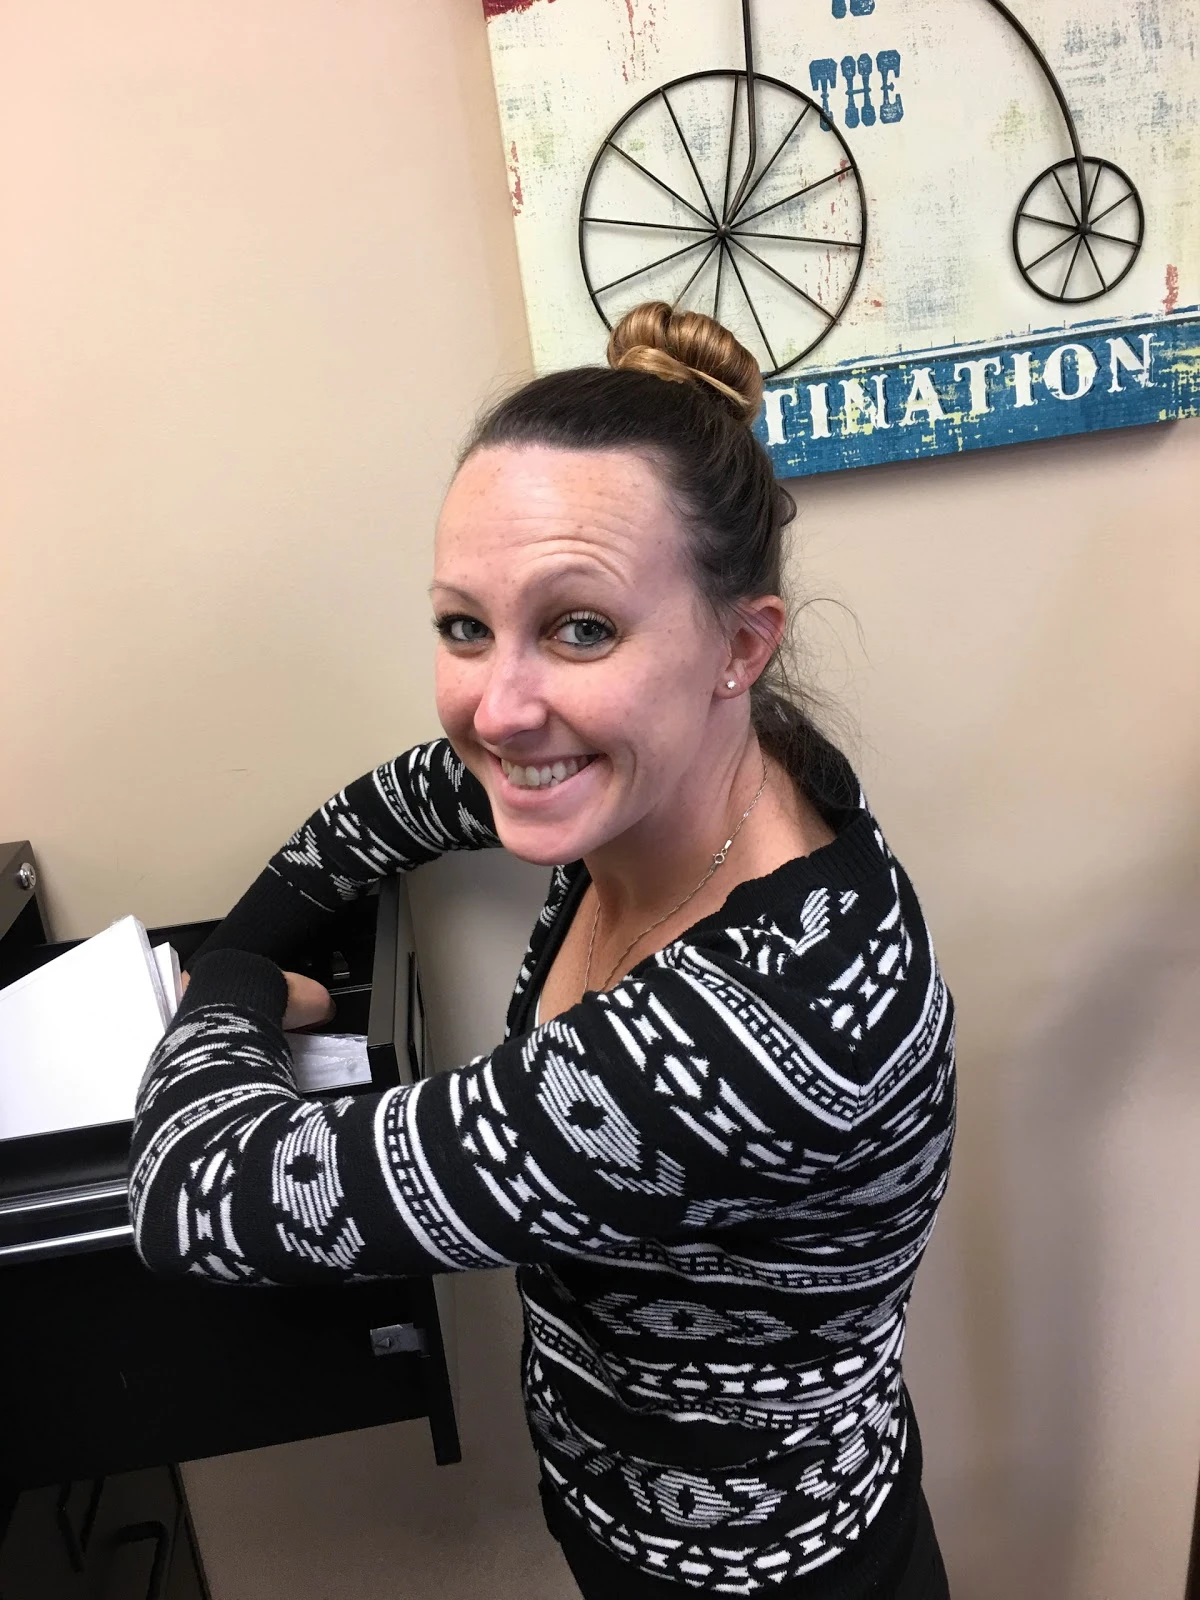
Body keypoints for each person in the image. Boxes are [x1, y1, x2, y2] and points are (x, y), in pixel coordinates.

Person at [129, 302, 955, 1598]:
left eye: (582, 628)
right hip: (609, 1505)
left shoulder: (760, 1033)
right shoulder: (681, 774)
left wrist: (230, 988)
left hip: (757, 1573)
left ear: (740, 647)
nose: (498, 709)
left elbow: (200, 1198)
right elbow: (389, 808)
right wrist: (250, 941)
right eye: (464, 626)